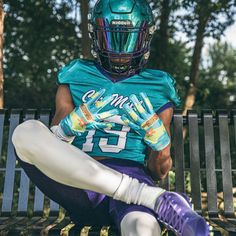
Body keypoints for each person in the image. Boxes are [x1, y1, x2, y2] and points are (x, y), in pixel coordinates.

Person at [12, 0, 209, 235]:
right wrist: (67, 128)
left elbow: (159, 170)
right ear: (96, 35)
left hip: (131, 175)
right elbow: (52, 145)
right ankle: (149, 196)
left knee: (142, 228)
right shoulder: (77, 74)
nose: (120, 49)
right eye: (111, 36)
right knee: (25, 132)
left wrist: (161, 144)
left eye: (128, 37)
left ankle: (144, 195)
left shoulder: (157, 84)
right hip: (76, 181)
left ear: (144, 36)